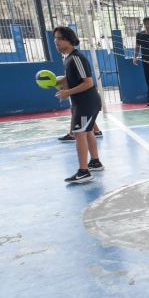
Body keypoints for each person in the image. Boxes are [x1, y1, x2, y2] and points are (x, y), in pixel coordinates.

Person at [52, 26, 104, 183]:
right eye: (55, 39)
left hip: (85, 103)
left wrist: (67, 92)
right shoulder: (68, 58)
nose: (56, 42)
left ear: (68, 39)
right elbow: (71, 79)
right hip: (82, 103)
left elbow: (88, 82)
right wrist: (54, 81)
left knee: (79, 134)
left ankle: (83, 172)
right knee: (87, 132)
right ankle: (95, 161)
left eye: (59, 38)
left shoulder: (76, 58)